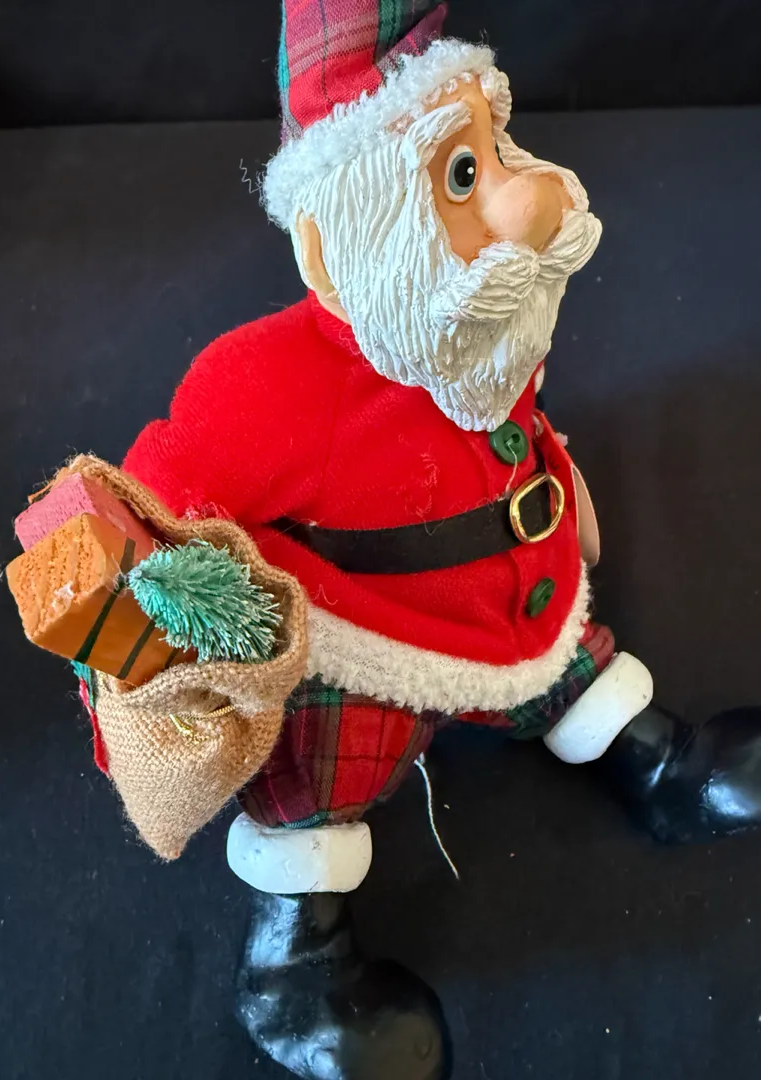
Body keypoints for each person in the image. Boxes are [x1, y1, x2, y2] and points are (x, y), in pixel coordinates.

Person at [123, 3, 761, 1077]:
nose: (530, 193)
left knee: (561, 662)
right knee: (315, 775)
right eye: (463, 175)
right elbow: (160, 501)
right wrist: (167, 611)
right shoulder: (267, 386)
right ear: (335, 248)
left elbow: (507, 418)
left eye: (498, 145)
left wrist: (557, 492)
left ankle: (654, 762)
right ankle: (294, 960)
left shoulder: (471, 323)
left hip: (512, 607)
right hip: (365, 647)